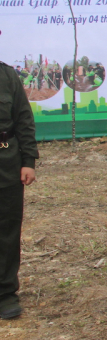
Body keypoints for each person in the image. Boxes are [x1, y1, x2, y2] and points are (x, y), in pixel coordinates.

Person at [0, 60, 38, 320]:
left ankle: (5, 292)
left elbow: (23, 117)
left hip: (6, 161)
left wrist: (28, 161)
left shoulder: (7, 75)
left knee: (7, 229)